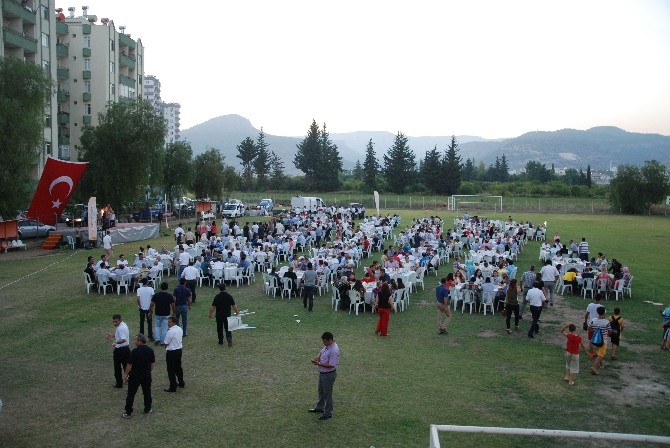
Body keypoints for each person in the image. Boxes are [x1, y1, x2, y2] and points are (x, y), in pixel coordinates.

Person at [121, 333, 155, 418]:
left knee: (131, 394)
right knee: (147, 392)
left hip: (135, 377)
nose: (134, 341)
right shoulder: (150, 350)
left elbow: (129, 365)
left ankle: (128, 412)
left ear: (140, 341)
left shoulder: (135, 352)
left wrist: (125, 374)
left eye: (135, 340)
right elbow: (152, 364)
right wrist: (148, 371)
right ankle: (147, 409)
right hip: (146, 376)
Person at [308, 331, 340, 421]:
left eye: (325, 341)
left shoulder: (334, 350)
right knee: (321, 391)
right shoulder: (328, 346)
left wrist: (319, 363)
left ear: (330, 340)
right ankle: (320, 407)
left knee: (327, 394)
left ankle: (328, 413)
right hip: (323, 374)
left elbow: (331, 365)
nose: (323, 343)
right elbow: (321, 351)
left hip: (328, 375)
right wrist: (318, 357)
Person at [105, 314, 130, 389]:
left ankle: (119, 383)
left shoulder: (120, 328)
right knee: (127, 366)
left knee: (117, 368)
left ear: (119, 320)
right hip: (126, 349)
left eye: (116, 321)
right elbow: (120, 334)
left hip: (120, 350)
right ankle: (130, 379)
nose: (114, 323)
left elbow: (123, 339)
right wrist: (112, 335)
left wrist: (115, 342)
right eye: (113, 322)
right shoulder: (123, 324)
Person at [163, 316, 185, 392]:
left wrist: (165, 346)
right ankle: (181, 382)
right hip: (179, 350)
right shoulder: (179, 329)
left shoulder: (170, 331)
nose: (168, 323)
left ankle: (173, 386)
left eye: (170, 322)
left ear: (174, 322)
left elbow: (166, 342)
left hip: (172, 352)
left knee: (171, 369)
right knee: (178, 367)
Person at [589, 306, 611, 375]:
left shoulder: (593, 320)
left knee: (599, 351)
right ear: (604, 312)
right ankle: (594, 367)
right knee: (601, 354)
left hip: (595, 339)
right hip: (603, 340)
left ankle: (601, 365)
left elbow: (589, 328)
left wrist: (595, 332)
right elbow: (609, 331)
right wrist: (607, 335)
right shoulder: (606, 322)